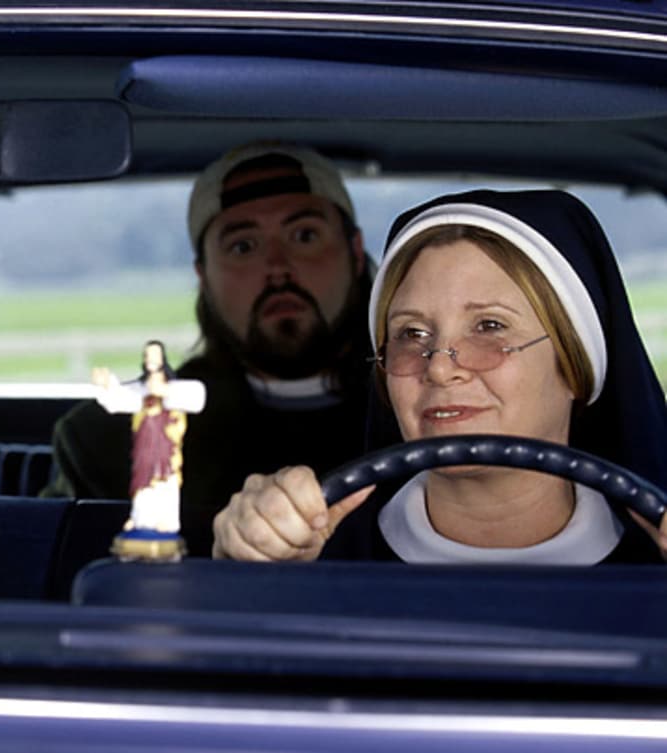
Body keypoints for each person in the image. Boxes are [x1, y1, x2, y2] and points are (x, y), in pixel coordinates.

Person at [212, 189, 667, 565]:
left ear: (574, 365)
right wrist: (252, 566)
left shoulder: (652, 563)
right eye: (411, 333)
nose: (439, 367)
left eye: (489, 326)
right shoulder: (320, 558)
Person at [43, 142, 375, 557]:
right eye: (243, 246)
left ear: (355, 252)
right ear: (204, 276)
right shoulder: (111, 443)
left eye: (304, 235)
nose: (277, 267)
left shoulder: (420, 416)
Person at [92, 340, 206, 559]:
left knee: (165, 484)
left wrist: (164, 391)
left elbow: (197, 397)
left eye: (155, 355)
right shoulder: (141, 389)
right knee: (142, 484)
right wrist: (106, 385)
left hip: (166, 450)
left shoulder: (175, 389)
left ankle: (166, 522)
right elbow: (119, 399)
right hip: (145, 448)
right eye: (148, 356)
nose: (151, 360)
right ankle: (141, 519)